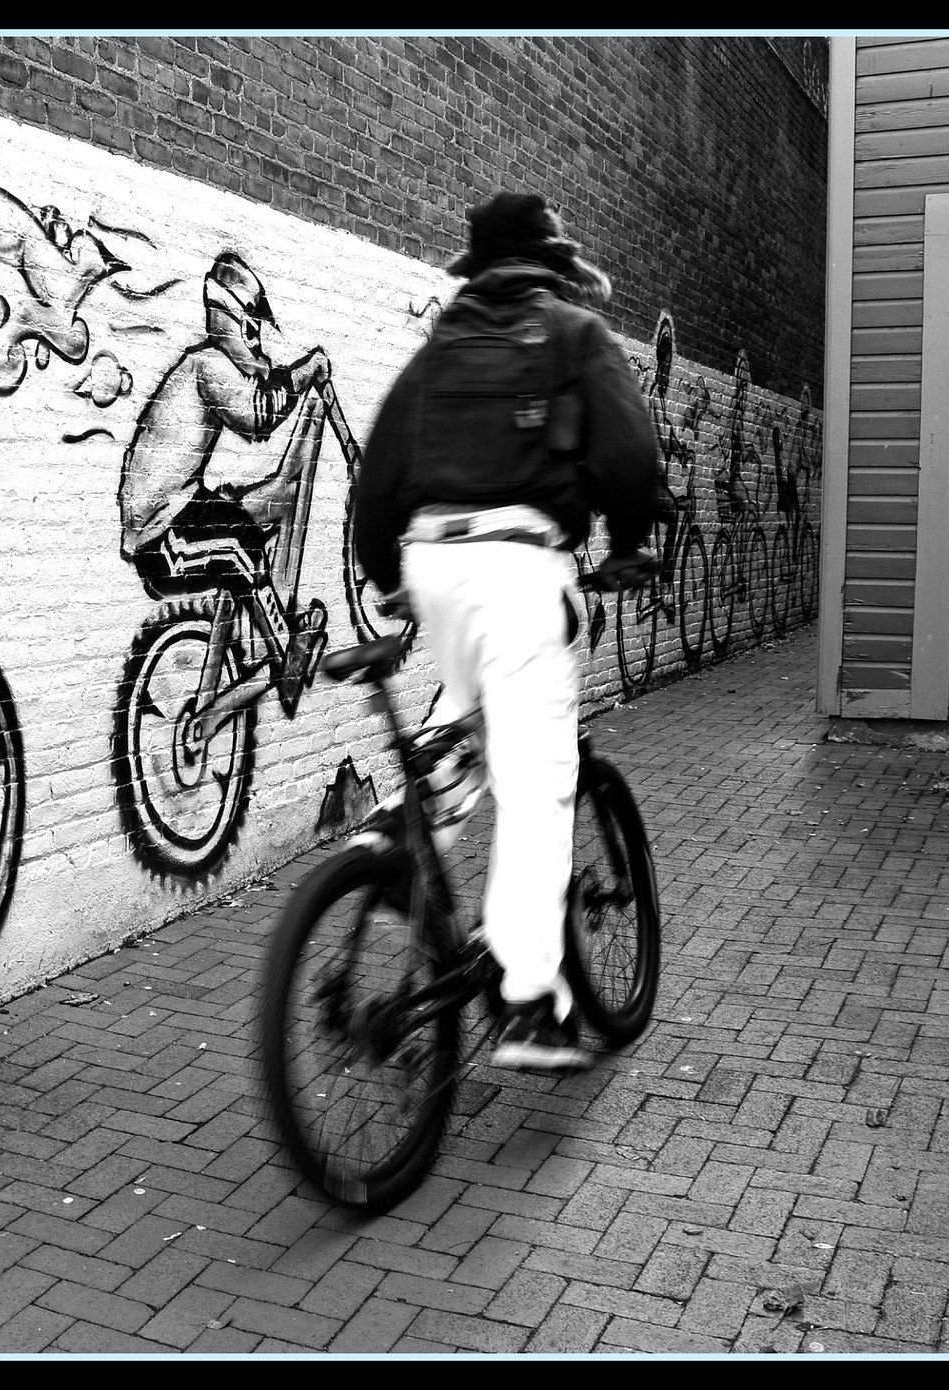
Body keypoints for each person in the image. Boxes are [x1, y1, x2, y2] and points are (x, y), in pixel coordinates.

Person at [351, 192, 659, 1070]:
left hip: (434, 564)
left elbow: (378, 475)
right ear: (551, 265)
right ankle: (530, 1002)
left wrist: (388, 575)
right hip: (523, 569)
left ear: (476, 272)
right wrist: (631, 543)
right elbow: (628, 456)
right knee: (539, 784)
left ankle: (400, 832)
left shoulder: (439, 348)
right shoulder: (571, 335)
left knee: (474, 713)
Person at [117, 253, 333, 713]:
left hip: (181, 508)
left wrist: (282, 374)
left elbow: (257, 393)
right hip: (160, 541)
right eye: (254, 328)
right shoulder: (208, 366)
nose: (257, 344)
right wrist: (303, 371)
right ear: (239, 321)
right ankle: (285, 654)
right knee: (242, 545)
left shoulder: (209, 365)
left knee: (260, 503)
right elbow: (257, 417)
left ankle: (248, 630)